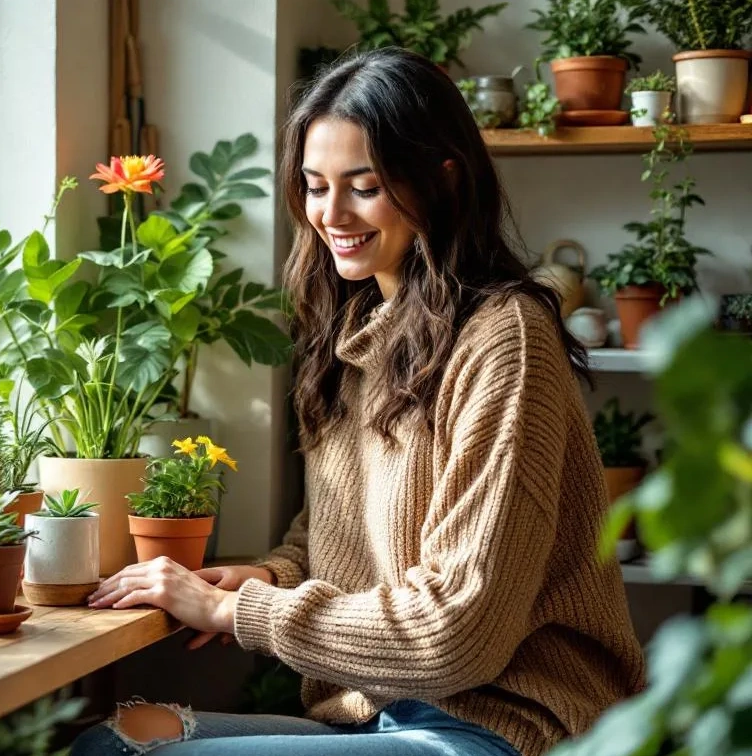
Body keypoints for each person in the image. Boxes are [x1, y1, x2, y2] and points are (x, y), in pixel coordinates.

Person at [69, 46, 646, 756]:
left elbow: (457, 634)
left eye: (364, 187)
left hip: (498, 727)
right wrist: (271, 574)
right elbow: (334, 534)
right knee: (110, 744)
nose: (330, 213)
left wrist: (231, 609)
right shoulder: (357, 332)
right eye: (315, 186)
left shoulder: (505, 337)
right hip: (375, 714)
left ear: (442, 178)